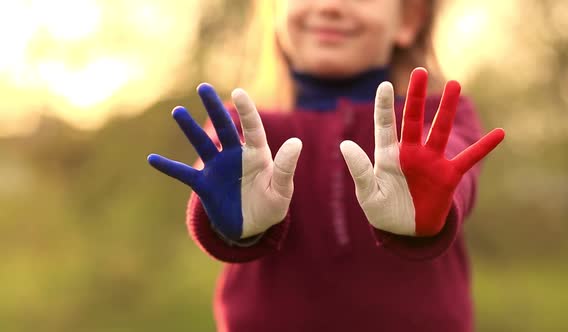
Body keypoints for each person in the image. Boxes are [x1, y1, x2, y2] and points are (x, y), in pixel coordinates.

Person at [147, 0, 505, 331]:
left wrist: (432, 201)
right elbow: (211, 189)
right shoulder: (241, 127)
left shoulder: (442, 116)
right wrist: (231, 222)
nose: (331, 5)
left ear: (408, 19)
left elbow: (456, 172)